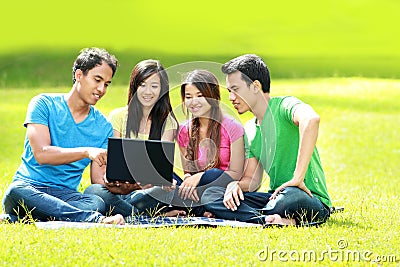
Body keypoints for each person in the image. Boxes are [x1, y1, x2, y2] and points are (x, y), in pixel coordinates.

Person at [202, 54, 332, 226]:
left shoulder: (285, 106)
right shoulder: (249, 129)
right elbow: (252, 179)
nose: (231, 97)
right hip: (275, 196)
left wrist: (297, 178)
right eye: (229, 91)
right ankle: (272, 220)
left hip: (307, 196)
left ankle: (258, 216)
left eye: (235, 89)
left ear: (256, 86)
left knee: (288, 199)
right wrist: (236, 186)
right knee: (211, 196)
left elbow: (311, 120)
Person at [1, 47, 124, 224]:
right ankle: (93, 220)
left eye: (106, 84)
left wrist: (124, 186)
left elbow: (98, 180)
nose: (101, 89)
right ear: (79, 75)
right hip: (29, 188)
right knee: (16, 191)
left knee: (95, 202)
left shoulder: (103, 126)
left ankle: (18, 219)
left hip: (65, 196)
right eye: (97, 80)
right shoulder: (43, 104)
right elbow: (42, 154)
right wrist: (86, 151)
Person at [84, 59, 184, 217]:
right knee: (93, 191)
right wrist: (121, 185)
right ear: (134, 86)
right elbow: (102, 172)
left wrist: (143, 186)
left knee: (169, 190)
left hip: (145, 192)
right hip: (116, 191)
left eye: (154, 86)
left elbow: (159, 173)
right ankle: (145, 215)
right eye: (142, 85)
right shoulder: (118, 116)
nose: (148, 92)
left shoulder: (168, 123)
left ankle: (126, 213)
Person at [171, 69, 245, 216]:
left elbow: (236, 174)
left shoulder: (232, 127)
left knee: (212, 175)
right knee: (168, 178)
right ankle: (202, 211)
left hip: (222, 189)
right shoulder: (184, 130)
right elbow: (187, 172)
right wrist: (188, 180)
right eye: (188, 97)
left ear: (213, 97)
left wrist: (200, 177)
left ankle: (200, 209)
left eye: (200, 95)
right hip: (195, 193)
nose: (194, 102)